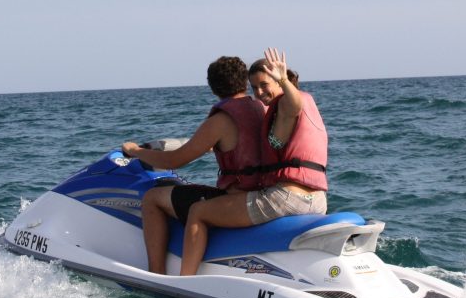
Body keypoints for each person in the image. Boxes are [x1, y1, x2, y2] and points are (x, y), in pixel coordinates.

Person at [178, 47, 328, 276]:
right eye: (254, 87)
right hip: (317, 200)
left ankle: (184, 281)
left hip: (286, 199)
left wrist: (283, 80)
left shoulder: (288, 106)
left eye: (265, 85)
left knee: (198, 211)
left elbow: (293, 105)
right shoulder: (304, 104)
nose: (259, 93)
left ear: (280, 81)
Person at [121, 56, 265, 274]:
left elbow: (174, 160)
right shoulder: (261, 108)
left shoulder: (220, 121)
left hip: (235, 198)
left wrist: (135, 151)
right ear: (245, 83)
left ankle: (157, 274)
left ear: (213, 88)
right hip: (261, 193)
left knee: (152, 198)